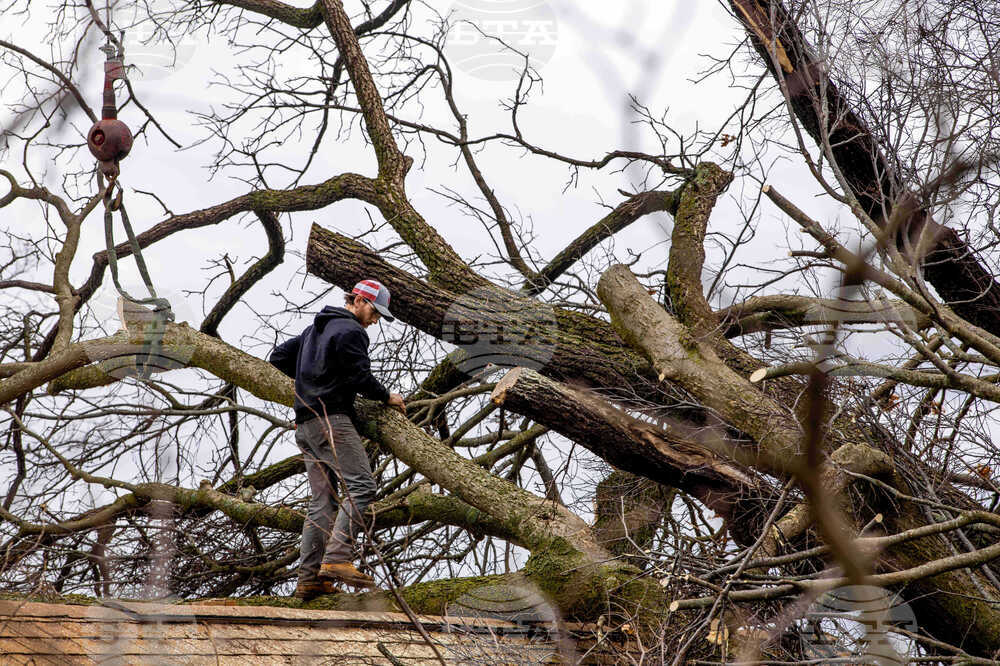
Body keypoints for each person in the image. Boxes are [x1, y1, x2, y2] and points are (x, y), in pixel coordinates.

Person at [268, 279, 406, 601]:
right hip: (332, 422)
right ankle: (337, 558)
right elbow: (360, 377)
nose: (375, 321)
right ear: (358, 300)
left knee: (323, 501)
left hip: (305, 425)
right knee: (362, 486)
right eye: (374, 312)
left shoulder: (313, 330)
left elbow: (279, 358)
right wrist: (387, 396)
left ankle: (308, 580)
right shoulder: (351, 331)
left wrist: (313, 380)